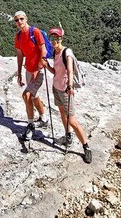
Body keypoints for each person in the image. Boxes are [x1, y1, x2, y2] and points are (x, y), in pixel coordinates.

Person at [45, 27, 92, 163]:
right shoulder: (55, 52)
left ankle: (86, 147)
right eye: (52, 38)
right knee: (62, 113)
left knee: (71, 119)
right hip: (56, 87)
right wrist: (46, 65)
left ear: (61, 39)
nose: (54, 41)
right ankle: (68, 136)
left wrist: (70, 86)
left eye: (56, 38)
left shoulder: (67, 52)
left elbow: (70, 70)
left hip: (65, 89)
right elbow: (56, 72)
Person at [13, 11, 49, 141]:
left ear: (26, 19)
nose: (19, 22)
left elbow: (43, 50)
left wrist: (39, 68)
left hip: (38, 71)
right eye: (16, 20)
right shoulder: (18, 37)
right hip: (28, 70)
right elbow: (20, 55)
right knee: (34, 95)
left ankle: (30, 124)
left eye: (21, 19)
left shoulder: (35, 32)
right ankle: (43, 118)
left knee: (26, 95)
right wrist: (19, 72)